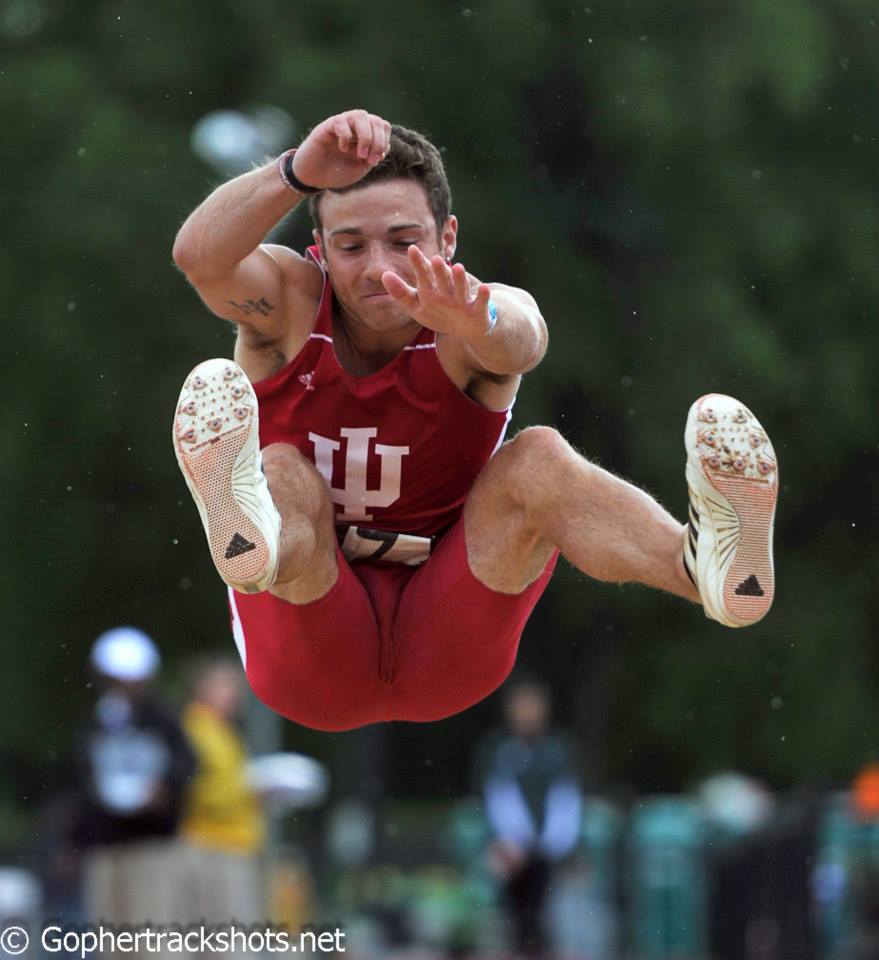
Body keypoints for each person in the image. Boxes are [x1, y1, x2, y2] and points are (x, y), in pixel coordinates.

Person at [171, 108, 778, 732]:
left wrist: (473, 320)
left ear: (448, 239)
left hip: (448, 637)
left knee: (536, 455)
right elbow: (199, 259)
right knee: (283, 471)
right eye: (351, 246)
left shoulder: (474, 314)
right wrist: (296, 171)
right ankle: (254, 544)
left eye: (405, 241)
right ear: (318, 249)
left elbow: (526, 340)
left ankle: (702, 565)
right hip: (309, 649)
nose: (380, 266)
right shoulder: (289, 303)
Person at [71, 627, 196, 952]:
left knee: (156, 935)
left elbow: (188, 763)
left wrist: (165, 788)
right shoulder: (98, 721)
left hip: (152, 844)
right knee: (112, 938)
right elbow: (85, 779)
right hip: (107, 844)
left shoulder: (162, 717)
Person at [474, 679, 583, 958]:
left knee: (549, 909)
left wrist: (555, 845)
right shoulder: (496, 750)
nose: (527, 713)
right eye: (521, 706)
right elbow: (494, 799)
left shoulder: (559, 749)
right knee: (511, 913)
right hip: (509, 850)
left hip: (551, 850)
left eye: (532, 706)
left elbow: (567, 802)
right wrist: (511, 843)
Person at [178, 656, 266, 928]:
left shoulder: (222, 731)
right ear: (203, 688)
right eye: (227, 685)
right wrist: (248, 792)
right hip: (210, 845)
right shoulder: (195, 729)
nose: (236, 695)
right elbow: (196, 789)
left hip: (229, 843)